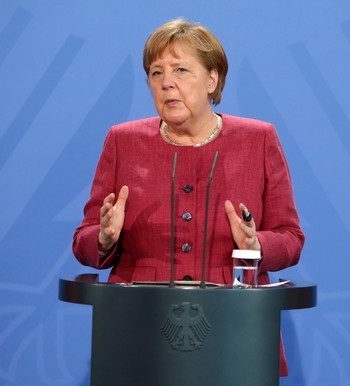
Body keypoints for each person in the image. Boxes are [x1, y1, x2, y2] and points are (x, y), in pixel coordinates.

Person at [72, 18, 305, 376]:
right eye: (156, 73)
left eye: (181, 70)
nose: (167, 83)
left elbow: (291, 239)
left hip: (237, 331)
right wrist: (104, 238)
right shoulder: (122, 141)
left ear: (212, 80)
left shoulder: (258, 140)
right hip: (137, 330)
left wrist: (257, 243)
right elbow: (84, 240)